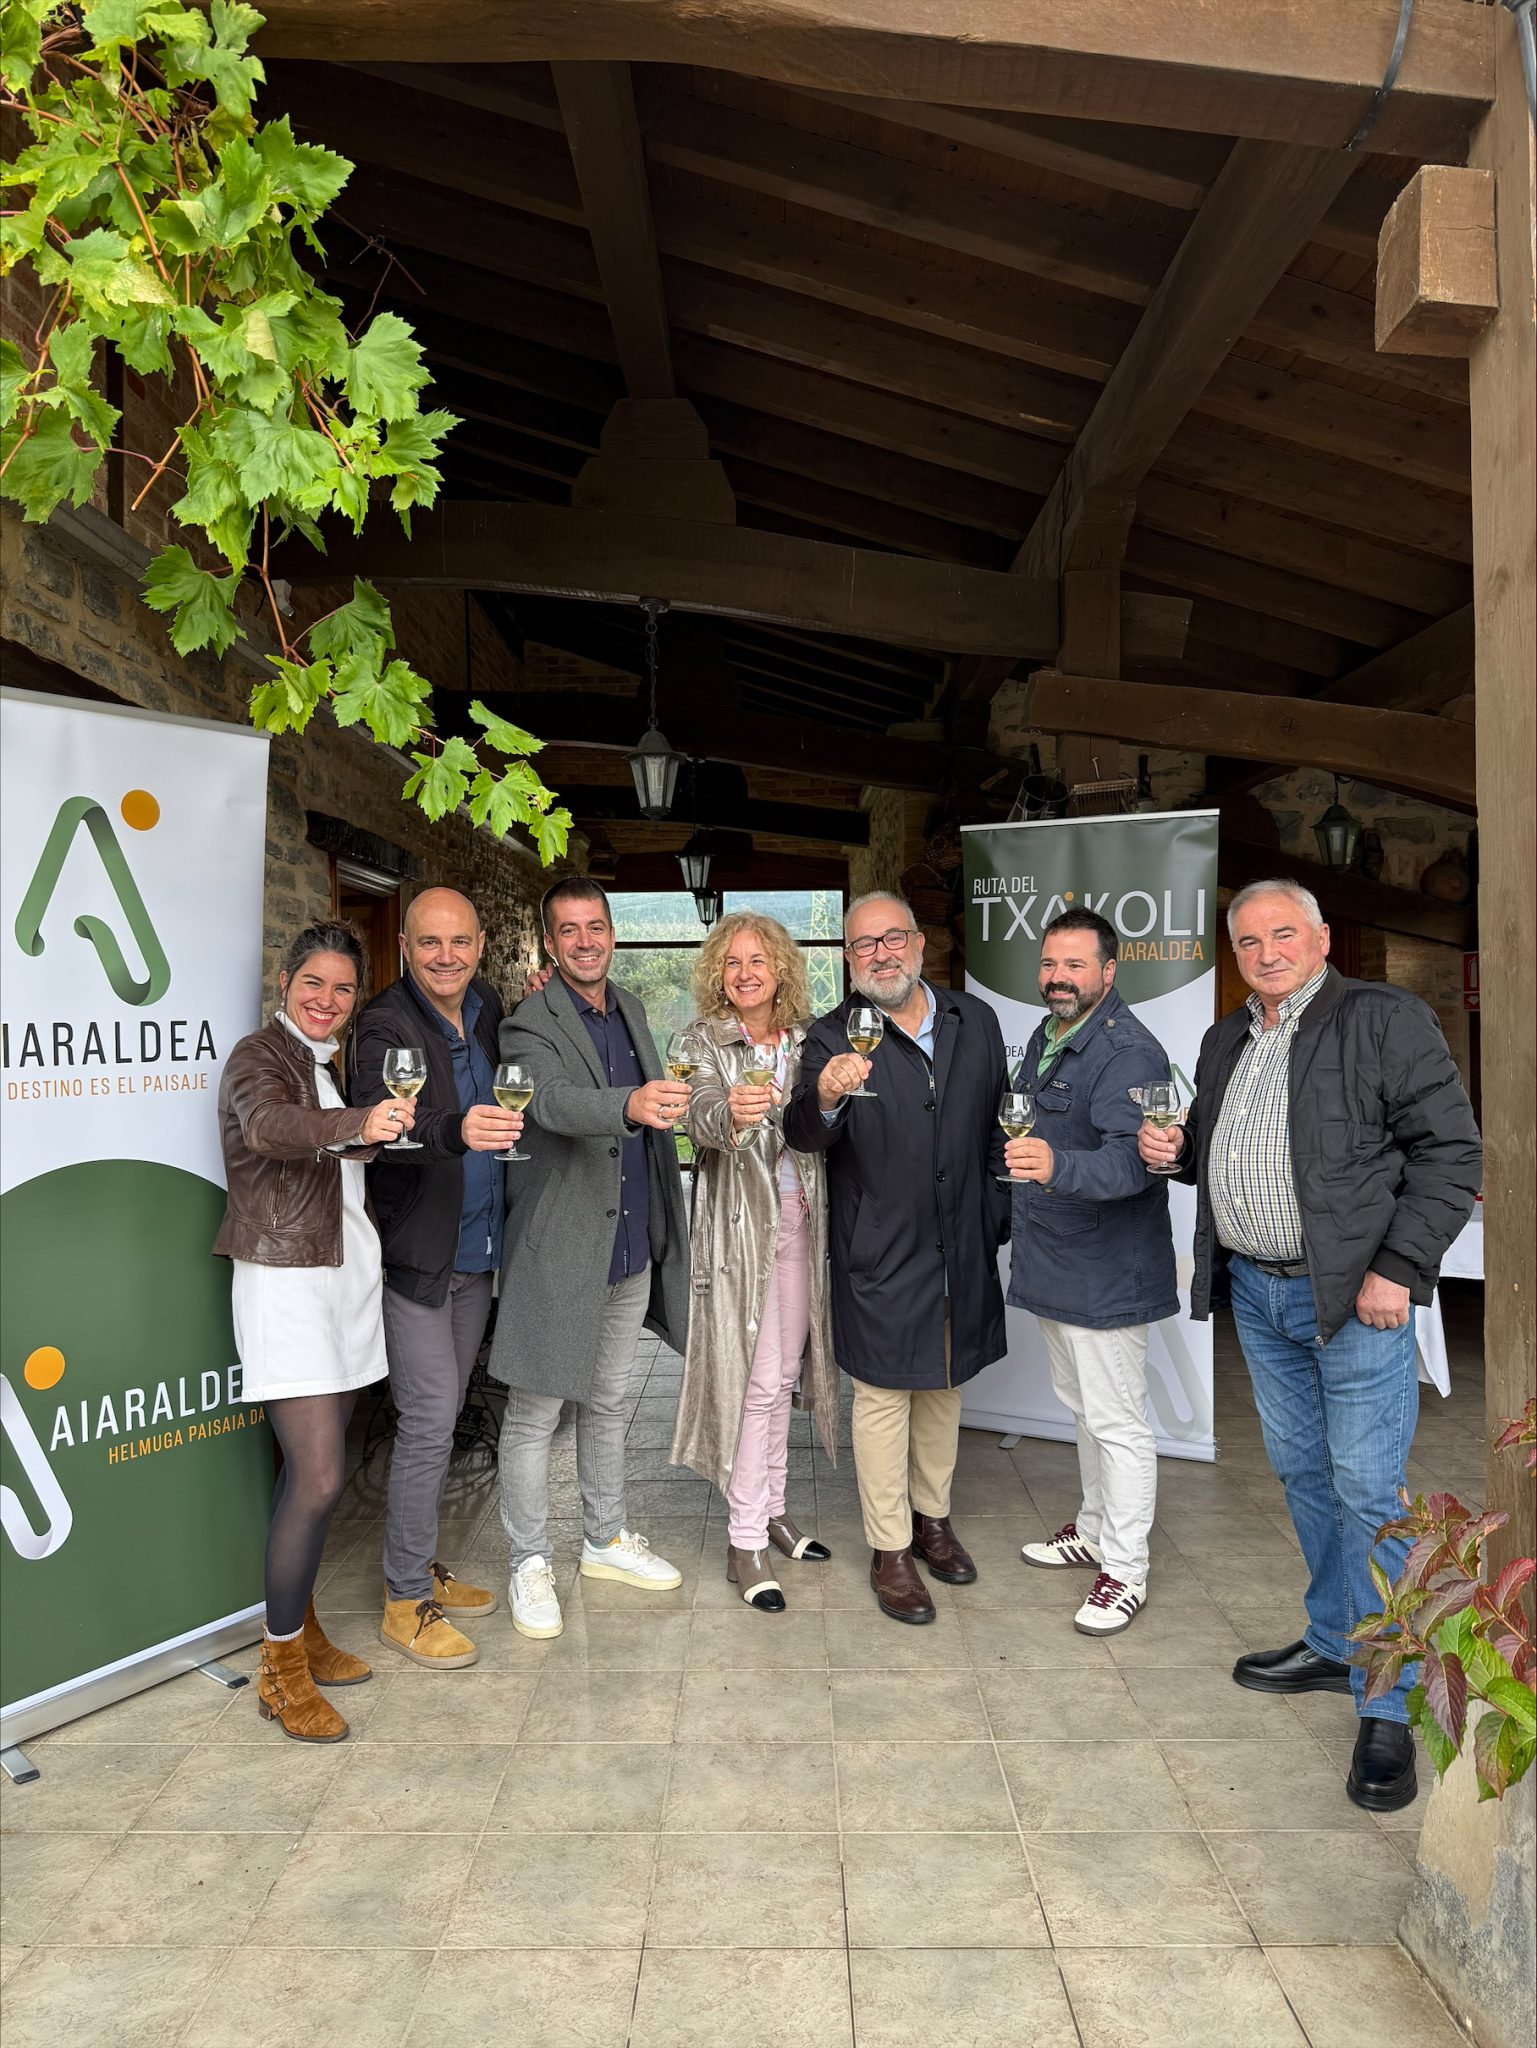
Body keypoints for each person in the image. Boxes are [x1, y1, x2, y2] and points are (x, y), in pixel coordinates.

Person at [1139, 879, 1480, 1812]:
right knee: (1299, 1472)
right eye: (1247, 941)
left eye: (1282, 933)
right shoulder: (1225, 1037)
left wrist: (1397, 1268)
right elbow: (1225, 1141)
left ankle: (1391, 1695)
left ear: (1322, 937)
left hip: (1355, 1295)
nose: (1265, 951)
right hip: (1258, 1287)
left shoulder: (1384, 1018)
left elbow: (1452, 1153)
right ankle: (1334, 1640)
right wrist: (1177, 1151)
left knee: (1369, 1489)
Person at [784, 891, 1010, 1624]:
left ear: (918, 944)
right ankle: (888, 1548)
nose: (880, 954)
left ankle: (931, 1520)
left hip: (960, 1236)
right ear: (848, 962)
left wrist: (994, 1216)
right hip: (880, 1245)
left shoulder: (973, 1019)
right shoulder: (829, 1036)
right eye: (861, 946)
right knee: (882, 1397)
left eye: (891, 939)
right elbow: (800, 1132)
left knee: (945, 1382)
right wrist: (823, 1094)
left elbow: (996, 1127)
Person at [214, 919, 410, 1742]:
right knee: (321, 1477)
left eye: (340, 988)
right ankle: (280, 1669)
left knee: (315, 1476)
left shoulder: (326, 1062)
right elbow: (268, 1128)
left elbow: (335, 1150)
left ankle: (305, 1627)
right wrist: (358, 1125)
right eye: (312, 985)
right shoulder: (259, 1058)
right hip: (287, 1286)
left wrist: (380, 1129)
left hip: (344, 1281)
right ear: (285, 983)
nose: (326, 1000)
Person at [490, 877, 692, 1639]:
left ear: (612, 933)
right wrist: (628, 1104)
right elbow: (549, 1102)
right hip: (562, 1250)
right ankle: (527, 1559)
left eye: (595, 926)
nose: (584, 941)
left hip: (630, 1244)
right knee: (537, 1411)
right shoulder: (526, 1022)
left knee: (608, 1402)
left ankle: (605, 1539)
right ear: (549, 941)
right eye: (568, 930)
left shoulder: (632, 1007)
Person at [352, 887, 524, 1671]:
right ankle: (401, 1600)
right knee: (426, 1419)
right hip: (419, 1258)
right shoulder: (385, 1024)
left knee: (448, 1413)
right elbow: (391, 1126)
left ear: (480, 944)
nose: (445, 957)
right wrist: (456, 1128)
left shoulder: (484, 1003)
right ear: (406, 946)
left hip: (478, 1248)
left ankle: (420, 1565)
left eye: (459, 942)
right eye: (430, 943)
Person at [1005, 908, 1179, 1636]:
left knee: (1118, 1422)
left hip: (1107, 1269)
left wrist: (1053, 1163)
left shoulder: (1128, 1052)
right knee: (1081, 1405)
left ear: (1108, 972)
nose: (1057, 977)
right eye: (1049, 964)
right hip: (1054, 1253)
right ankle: (1093, 1528)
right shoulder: (1049, 1038)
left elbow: (1133, 1163)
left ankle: (1125, 1572)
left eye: (1074, 965)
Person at [671, 910, 840, 1613]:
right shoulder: (702, 1039)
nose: (743, 973)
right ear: (718, 973)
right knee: (753, 1382)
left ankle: (770, 1508)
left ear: (780, 971)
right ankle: (744, 1539)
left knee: (784, 1376)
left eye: (756, 961)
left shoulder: (807, 1041)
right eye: (731, 963)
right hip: (741, 1234)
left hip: (803, 1223)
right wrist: (732, 1115)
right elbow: (695, 1112)